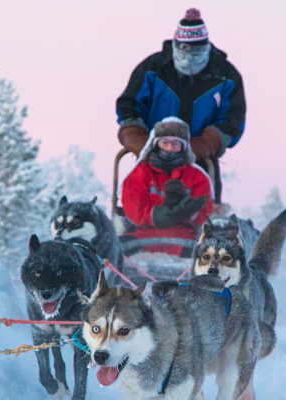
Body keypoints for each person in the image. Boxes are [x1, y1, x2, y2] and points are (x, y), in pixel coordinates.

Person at [116, 7, 246, 166]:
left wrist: (206, 143)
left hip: (200, 160)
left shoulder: (226, 77)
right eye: (183, 52)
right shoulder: (153, 69)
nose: (188, 59)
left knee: (203, 190)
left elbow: (233, 121)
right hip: (151, 158)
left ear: (206, 49)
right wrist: (135, 137)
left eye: (196, 54)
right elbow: (129, 106)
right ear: (175, 47)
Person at [121, 117, 212, 257]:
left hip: (185, 238)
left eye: (176, 143)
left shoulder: (197, 176)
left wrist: (187, 212)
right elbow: (133, 209)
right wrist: (162, 215)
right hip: (142, 236)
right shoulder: (140, 173)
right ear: (155, 144)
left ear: (184, 146)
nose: (170, 148)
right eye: (165, 142)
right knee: (113, 252)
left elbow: (205, 214)